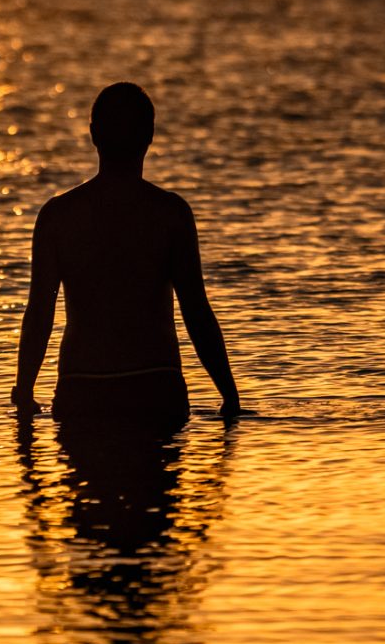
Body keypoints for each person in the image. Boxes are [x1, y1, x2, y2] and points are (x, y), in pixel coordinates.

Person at [13, 82, 243, 428]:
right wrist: (230, 396)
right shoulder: (170, 214)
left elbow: (39, 313)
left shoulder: (58, 216)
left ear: (93, 135)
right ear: (150, 135)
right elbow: (196, 311)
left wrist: (25, 392)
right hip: (154, 390)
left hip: (83, 391)